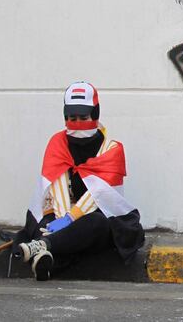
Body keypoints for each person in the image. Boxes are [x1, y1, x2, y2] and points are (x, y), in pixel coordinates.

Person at [13, 81, 144, 280]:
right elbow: (55, 185)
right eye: (72, 118)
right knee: (43, 221)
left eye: (83, 117)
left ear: (95, 114)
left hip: (98, 216)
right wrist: (60, 219)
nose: (78, 123)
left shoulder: (112, 149)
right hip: (59, 211)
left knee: (96, 223)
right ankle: (45, 259)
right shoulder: (57, 143)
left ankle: (43, 247)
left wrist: (70, 219)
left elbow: (98, 194)